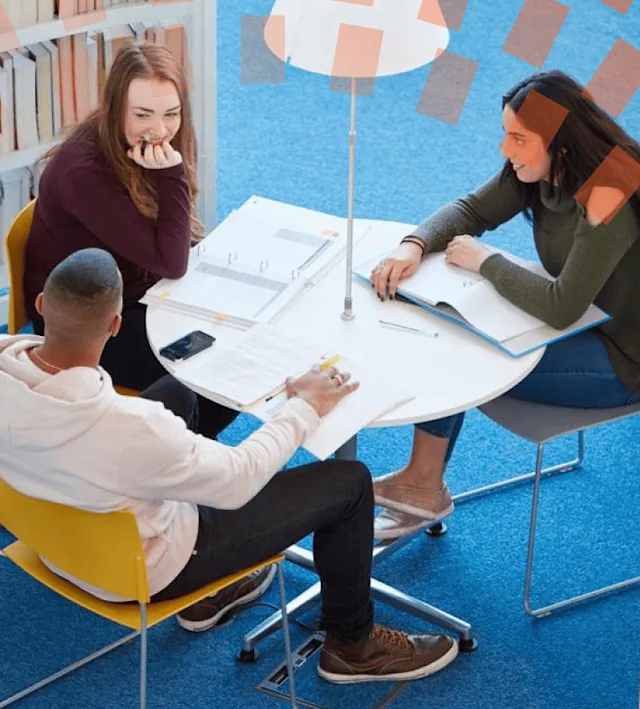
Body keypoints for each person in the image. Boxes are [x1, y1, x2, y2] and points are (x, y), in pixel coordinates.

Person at [0, 248, 459, 685]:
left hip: (55, 540)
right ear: (117, 323)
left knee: (177, 392)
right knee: (350, 483)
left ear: (41, 304)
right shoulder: (131, 428)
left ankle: (222, 588)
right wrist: (302, 407)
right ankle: (353, 645)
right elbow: (239, 479)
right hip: (146, 566)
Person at [370, 69, 640, 540]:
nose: (506, 150)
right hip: (580, 321)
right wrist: (413, 243)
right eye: (505, 135)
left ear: (562, 144)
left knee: (463, 351)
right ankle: (422, 483)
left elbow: (561, 308)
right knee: (452, 325)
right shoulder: (538, 171)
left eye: (518, 138)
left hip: (621, 356)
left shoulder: (610, 188)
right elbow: (471, 210)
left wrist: (487, 260)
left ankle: (423, 486)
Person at [23, 43, 235, 438]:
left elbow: (172, 247)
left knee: (234, 338)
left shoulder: (142, 143)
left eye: (171, 113)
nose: (159, 129)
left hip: (136, 290)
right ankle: (176, 454)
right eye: (142, 114)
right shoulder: (83, 173)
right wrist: (171, 175)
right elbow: (170, 262)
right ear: (116, 107)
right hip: (86, 324)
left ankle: (184, 446)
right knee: (215, 372)